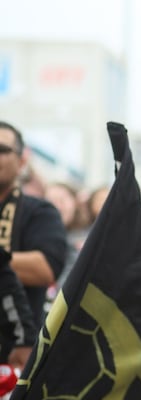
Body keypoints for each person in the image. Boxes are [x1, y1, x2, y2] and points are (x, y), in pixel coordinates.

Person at [0, 121, 68, 329]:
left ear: (22, 162)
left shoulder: (40, 211)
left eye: (2, 150)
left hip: (16, 346)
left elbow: (45, 268)